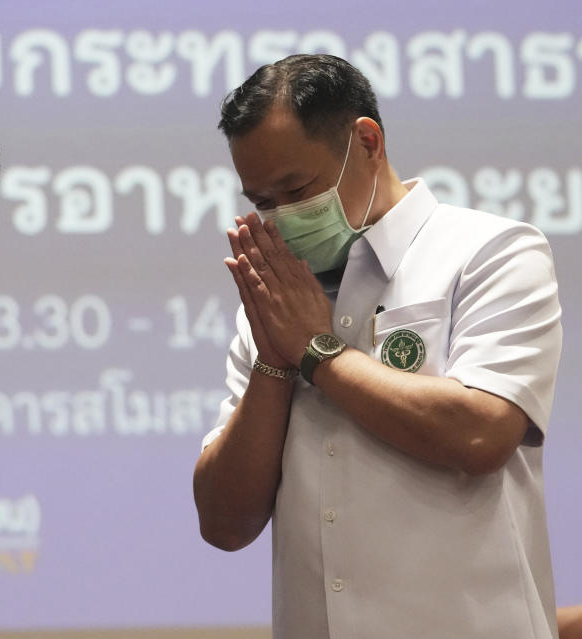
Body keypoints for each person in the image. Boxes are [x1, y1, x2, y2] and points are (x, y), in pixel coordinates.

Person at [193, 54, 563, 638]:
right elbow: (224, 523)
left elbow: (482, 433)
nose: (284, 217)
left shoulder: (491, 252)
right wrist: (273, 360)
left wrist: (317, 353)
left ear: (367, 142)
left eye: (297, 188)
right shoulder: (277, 302)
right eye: (263, 202)